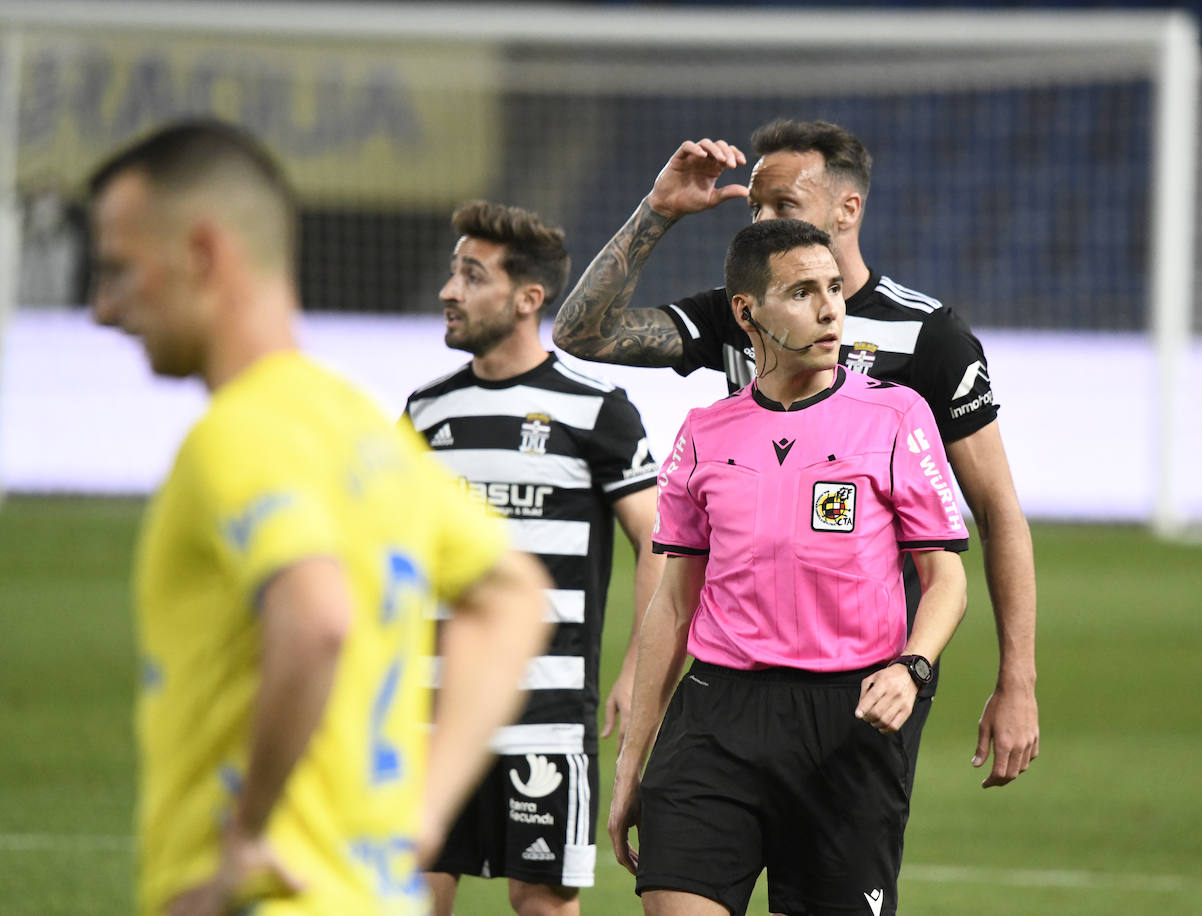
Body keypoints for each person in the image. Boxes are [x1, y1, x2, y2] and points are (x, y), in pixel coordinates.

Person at [87, 118, 551, 916]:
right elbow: (514, 596)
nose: (103, 308)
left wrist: (245, 833)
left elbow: (316, 616)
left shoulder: (236, 437)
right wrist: (425, 810)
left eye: (122, 270)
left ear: (202, 253)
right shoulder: (363, 433)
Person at [553, 119, 1038, 790]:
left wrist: (1017, 680)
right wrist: (658, 212)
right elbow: (583, 334)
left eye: (783, 205)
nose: (759, 219)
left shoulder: (929, 338)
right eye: (754, 204)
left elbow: (997, 511)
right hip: (735, 661)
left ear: (848, 208)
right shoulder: (741, 313)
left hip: (864, 670)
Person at [607, 219, 968, 916]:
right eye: (802, 292)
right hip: (715, 716)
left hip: (845, 723)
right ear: (747, 312)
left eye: (833, 288)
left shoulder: (895, 416)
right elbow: (674, 603)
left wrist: (913, 666)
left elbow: (946, 576)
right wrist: (632, 763)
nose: (830, 307)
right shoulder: (703, 433)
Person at [402, 200, 663, 916]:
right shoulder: (426, 413)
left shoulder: (596, 410)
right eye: (454, 274)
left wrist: (636, 673)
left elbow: (661, 543)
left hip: (545, 710)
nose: (448, 292)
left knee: (541, 902)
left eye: (471, 276)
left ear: (528, 297)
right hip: (432, 705)